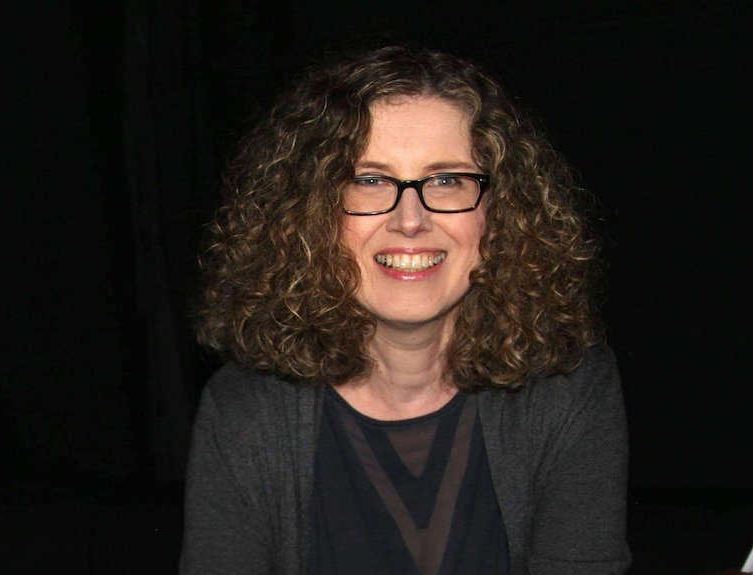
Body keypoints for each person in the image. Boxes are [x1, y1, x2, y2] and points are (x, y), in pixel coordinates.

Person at [180, 45, 630, 575]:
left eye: (446, 180)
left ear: (500, 210)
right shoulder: (244, 412)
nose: (410, 219)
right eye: (370, 181)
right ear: (308, 214)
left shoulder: (571, 388)